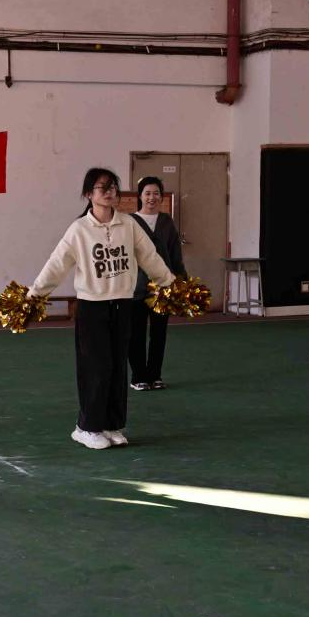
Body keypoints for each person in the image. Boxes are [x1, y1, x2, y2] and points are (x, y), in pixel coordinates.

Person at [29, 168, 177, 450]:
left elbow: (150, 256)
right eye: (102, 188)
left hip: (123, 304)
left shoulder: (128, 224)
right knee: (95, 368)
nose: (109, 192)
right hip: (92, 307)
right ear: (89, 194)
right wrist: (35, 294)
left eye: (112, 187)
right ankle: (86, 427)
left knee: (118, 367)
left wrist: (170, 284)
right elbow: (57, 264)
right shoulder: (79, 229)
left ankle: (111, 425)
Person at [128, 176, 186, 390]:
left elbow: (175, 254)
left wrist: (181, 281)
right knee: (135, 334)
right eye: (147, 193)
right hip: (136, 288)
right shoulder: (130, 222)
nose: (151, 197)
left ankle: (155, 375)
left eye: (156, 193)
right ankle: (138, 377)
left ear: (161, 197)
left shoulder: (166, 222)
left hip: (163, 289)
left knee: (159, 334)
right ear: (140, 196)